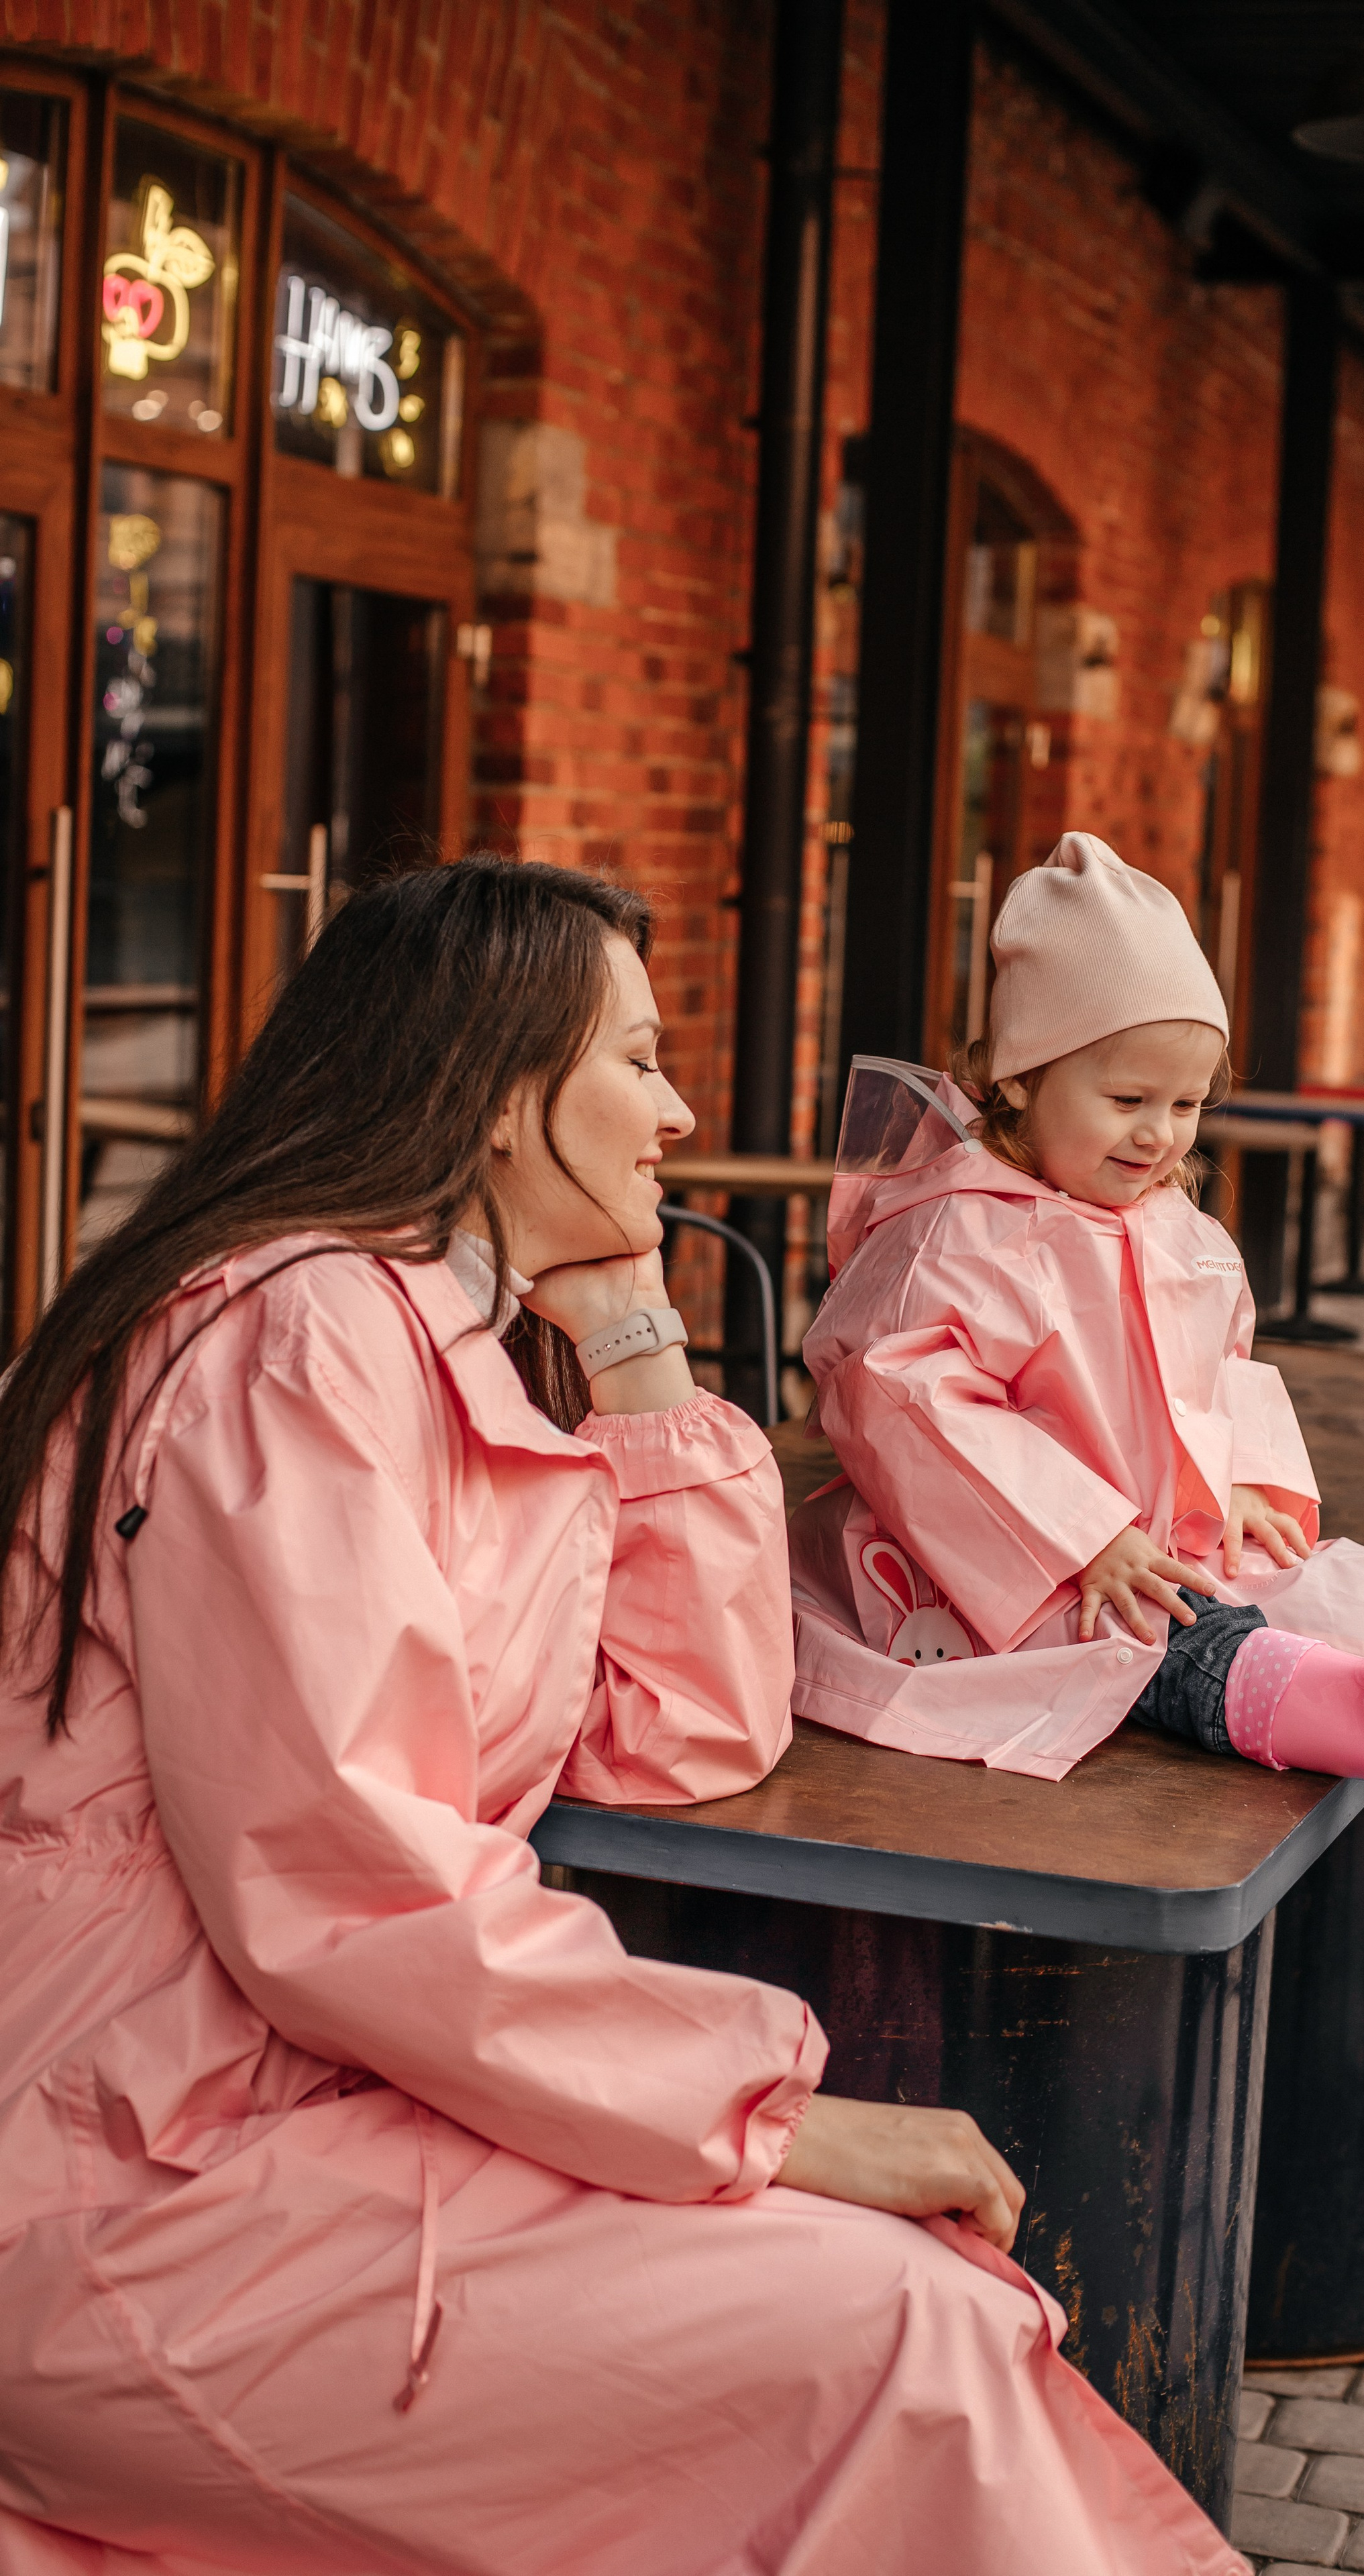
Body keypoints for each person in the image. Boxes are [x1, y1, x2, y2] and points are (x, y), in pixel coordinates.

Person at [0, 858, 1246, 2576]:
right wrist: (773, 2121)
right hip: (138, 2184)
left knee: (922, 2311)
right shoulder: (301, 1343)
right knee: (906, 2331)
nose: (673, 1111)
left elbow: (687, 1724)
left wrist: (634, 1336)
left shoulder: (435, 1332)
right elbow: (343, 1881)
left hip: (298, 2109)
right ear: (505, 1098)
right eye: (639, 1061)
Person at [790, 832, 1364, 1810]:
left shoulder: (1169, 1223)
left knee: (1320, 1591)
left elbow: (1221, 1362)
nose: (1159, 1133)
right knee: (1187, 1649)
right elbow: (903, 1399)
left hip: (1166, 1540)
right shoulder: (959, 1232)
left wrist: (1248, 1477)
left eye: (1186, 1103)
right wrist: (1081, 1537)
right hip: (1008, 1576)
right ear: (1018, 1077)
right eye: (1127, 1098)